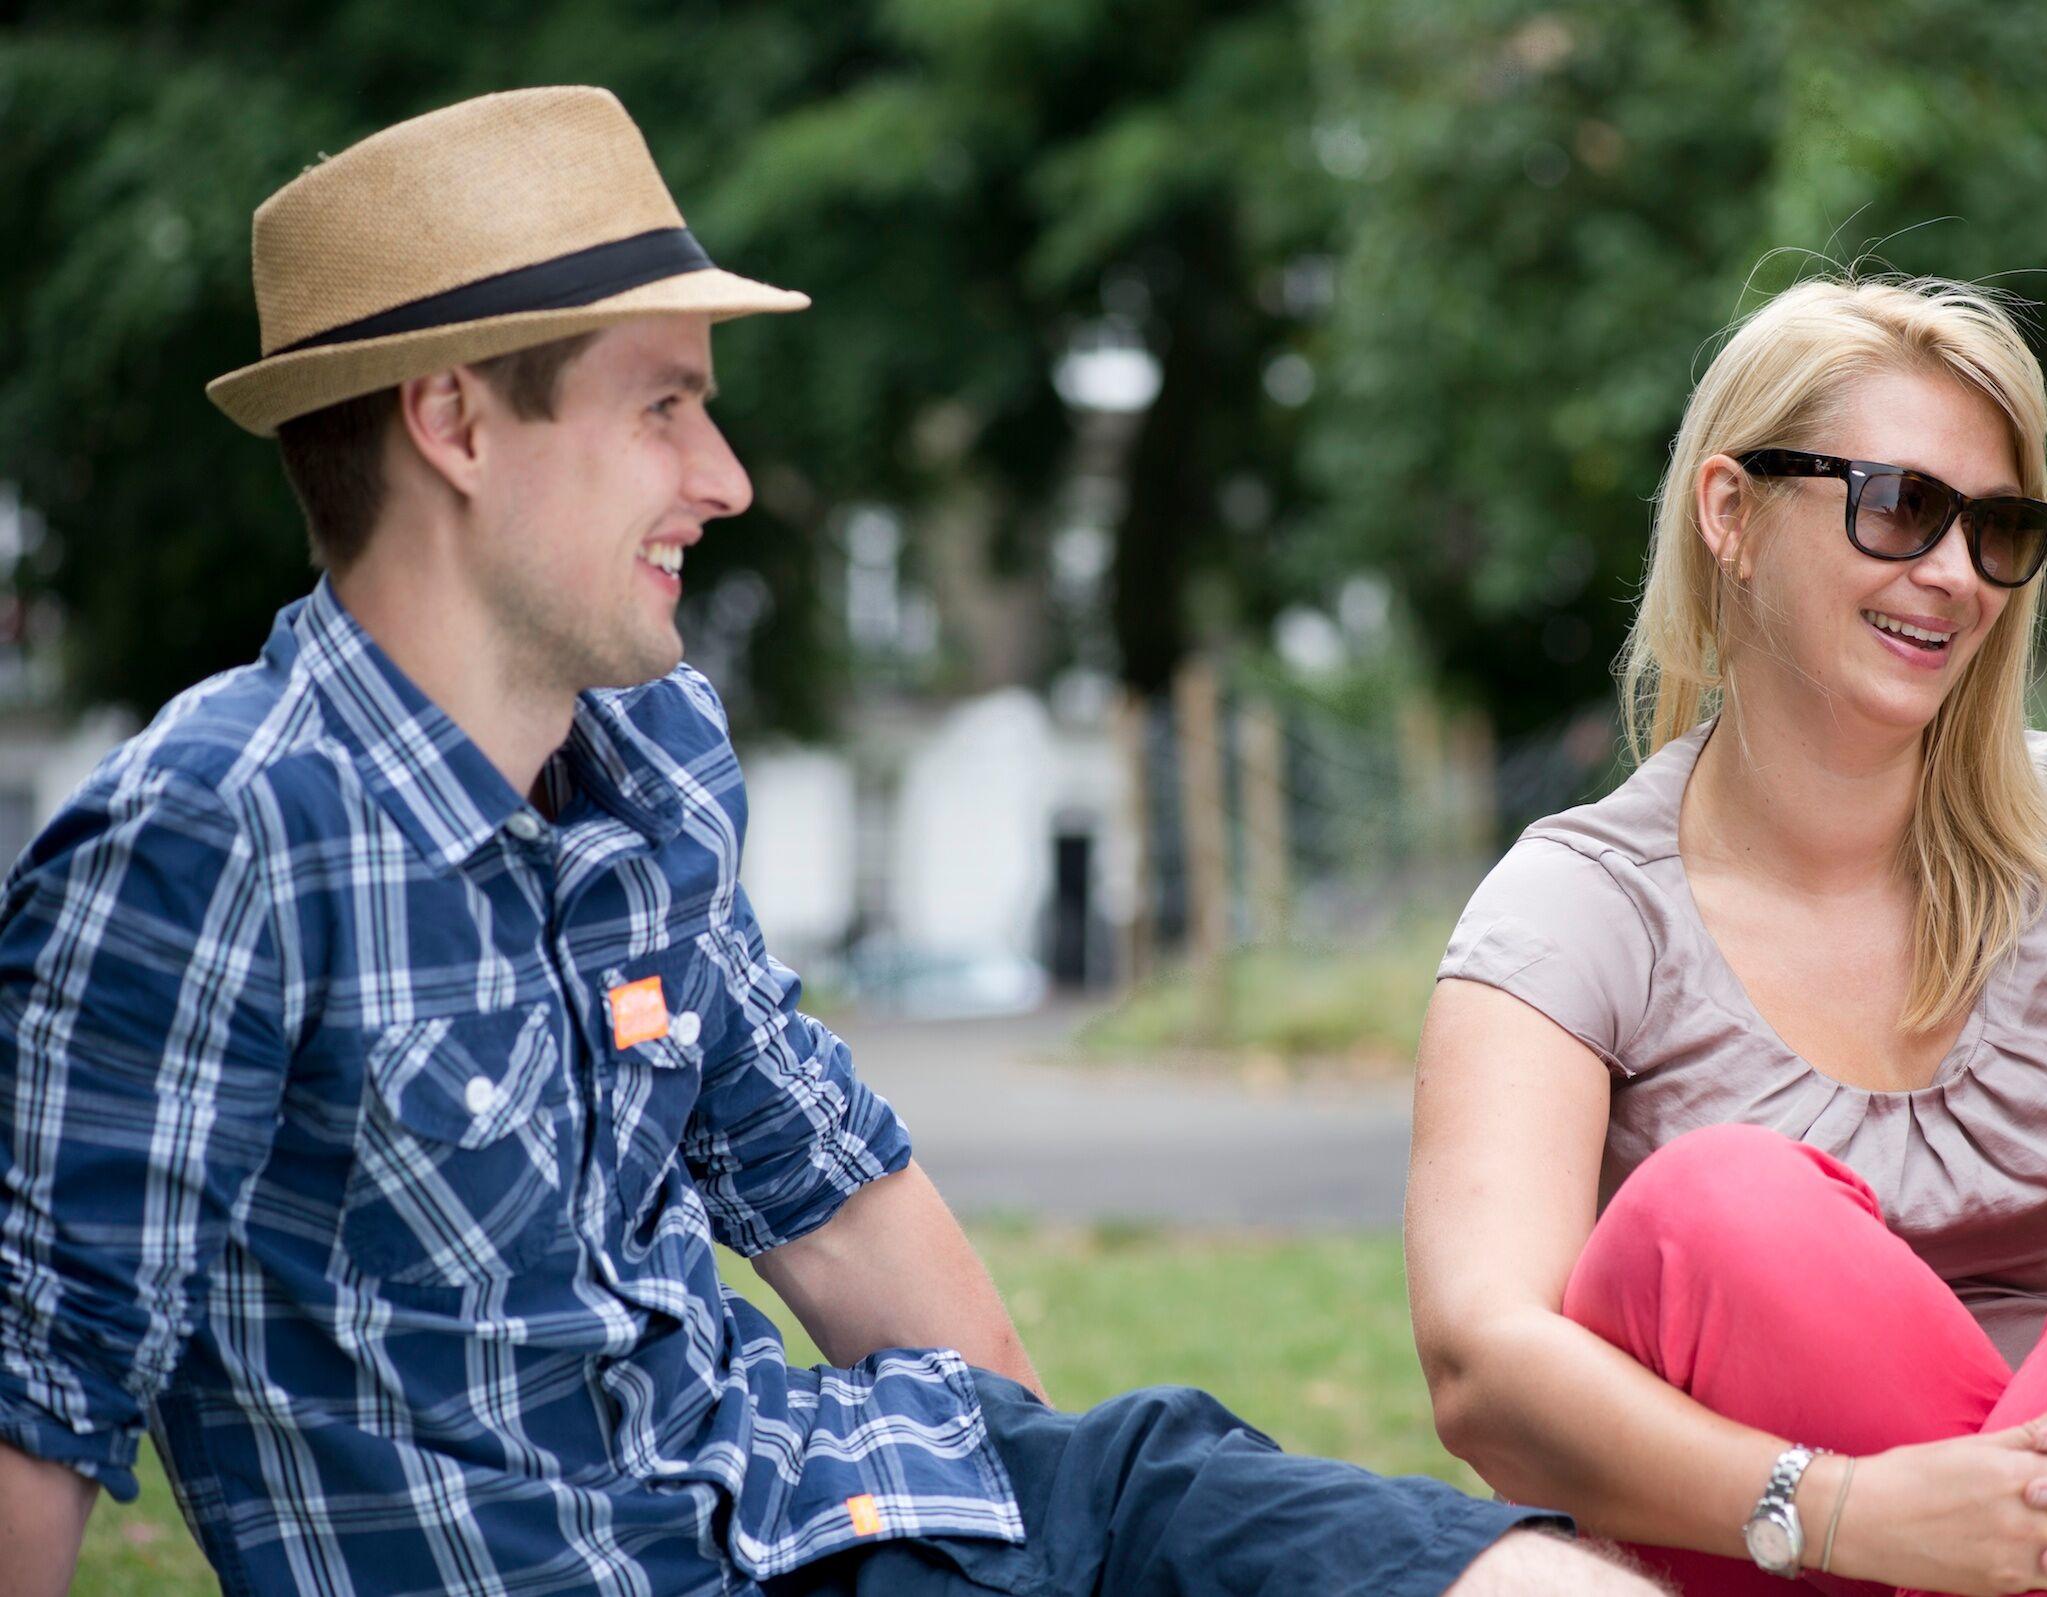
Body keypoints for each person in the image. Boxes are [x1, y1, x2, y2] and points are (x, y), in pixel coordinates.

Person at [0, 86, 1653, 1597]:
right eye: (662, 408)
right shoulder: (213, 833)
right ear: (455, 423)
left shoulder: (646, 759)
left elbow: (829, 1190)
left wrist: (1055, 1552)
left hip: (844, 1505)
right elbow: (38, 1380)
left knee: (1328, 1531)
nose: (721, 478)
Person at [1405, 273, 2047, 1597]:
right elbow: (1482, 1360)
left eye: (1999, 528)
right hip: (1780, 1551)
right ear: (1732, 513)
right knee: (1722, 1207)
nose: (1954, 574)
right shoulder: (1577, 909)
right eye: (1901, 505)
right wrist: (1845, 1512)